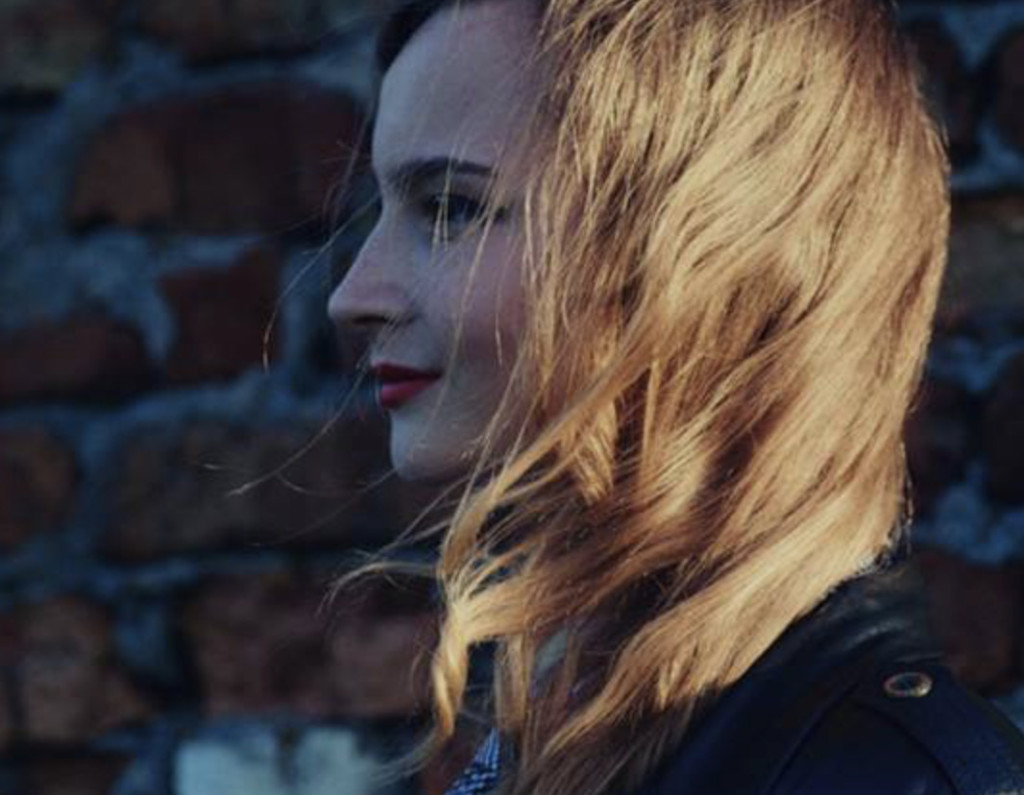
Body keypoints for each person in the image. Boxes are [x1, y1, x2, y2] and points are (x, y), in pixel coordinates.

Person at [327, 1, 1024, 793]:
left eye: (451, 208)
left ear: (706, 246)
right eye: (381, 211)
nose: (353, 296)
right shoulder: (577, 731)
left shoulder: (891, 780)